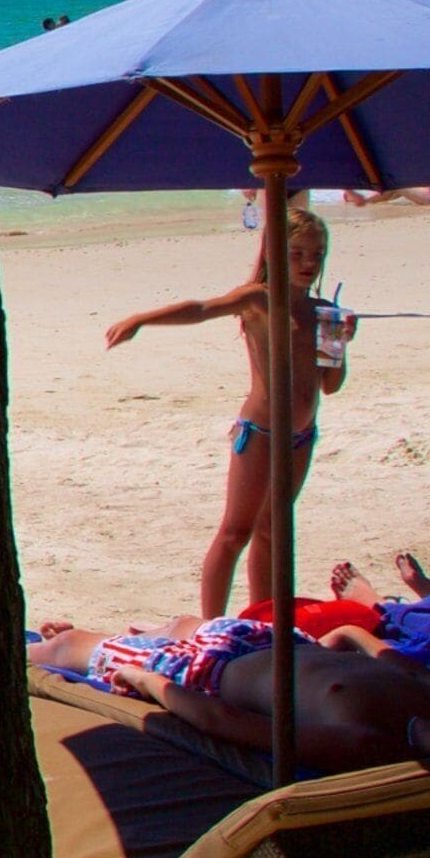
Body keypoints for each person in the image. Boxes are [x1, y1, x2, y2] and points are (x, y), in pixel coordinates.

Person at [104, 200, 349, 618]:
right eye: (297, 253)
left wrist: (341, 344)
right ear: (273, 253)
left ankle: (260, 619)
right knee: (236, 531)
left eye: (316, 254)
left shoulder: (324, 312)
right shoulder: (259, 299)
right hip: (262, 432)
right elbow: (201, 310)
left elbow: (330, 385)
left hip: (303, 434)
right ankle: (211, 624)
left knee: (273, 531)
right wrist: (142, 319)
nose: (309, 262)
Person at [26, 611, 430, 771]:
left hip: (200, 671)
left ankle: (57, 643)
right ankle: (137, 634)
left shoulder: (371, 742)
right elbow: (376, 649)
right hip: (271, 641)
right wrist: (338, 641)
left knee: (70, 648)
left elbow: (229, 723)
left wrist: (147, 682)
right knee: (181, 621)